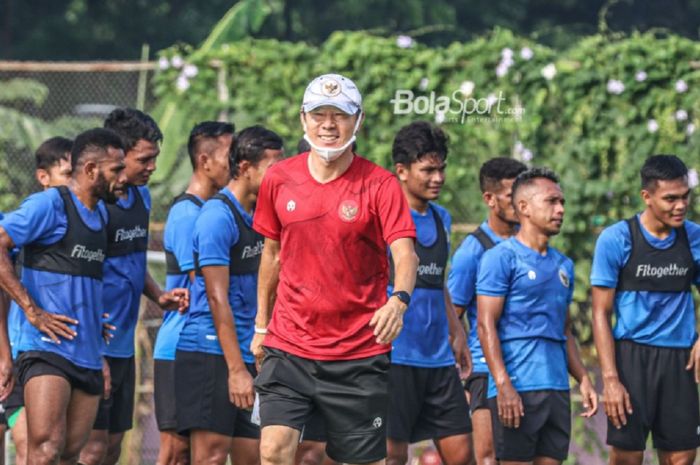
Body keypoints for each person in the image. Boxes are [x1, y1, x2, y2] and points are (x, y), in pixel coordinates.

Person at [251, 73, 419, 465]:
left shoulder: (380, 184)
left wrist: (399, 300)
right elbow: (271, 255)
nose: (328, 124)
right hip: (289, 345)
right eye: (319, 114)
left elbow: (406, 254)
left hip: (358, 351)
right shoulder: (279, 178)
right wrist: (261, 325)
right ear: (303, 119)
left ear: (357, 120)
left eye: (339, 115)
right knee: (273, 451)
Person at [0, 127, 127, 465]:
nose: (122, 178)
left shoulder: (101, 215)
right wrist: (32, 309)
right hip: (45, 348)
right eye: (116, 170)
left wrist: (91, 317)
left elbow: (84, 281)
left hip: (86, 352)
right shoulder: (49, 204)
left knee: (71, 455)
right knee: (44, 450)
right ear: (90, 170)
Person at [79, 108, 188, 465]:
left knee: (112, 448)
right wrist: (94, 348)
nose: (153, 166)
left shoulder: (141, 198)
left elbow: (132, 261)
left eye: (156, 157)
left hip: (124, 345)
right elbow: (83, 274)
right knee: (90, 450)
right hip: (92, 343)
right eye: (145, 158)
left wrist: (159, 295)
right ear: (117, 154)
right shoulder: (95, 206)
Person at [175, 125, 282, 465]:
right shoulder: (216, 218)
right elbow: (217, 298)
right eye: (272, 168)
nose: (280, 176)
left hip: (249, 351)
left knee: (255, 455)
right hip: (209, 352)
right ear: (245, 168)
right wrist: (236, 370)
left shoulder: (265, 214)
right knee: (211, 457)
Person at [477, 168, 597, 465]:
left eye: (562, 202)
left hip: (556, 388)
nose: (561, 209)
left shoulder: (564, 266)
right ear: (524, 207)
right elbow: (485, 324)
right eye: (552, 201)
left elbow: (564, 331)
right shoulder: (500, 257)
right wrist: (503, 384)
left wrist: (583, 379)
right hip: (517, 387)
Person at [591, 155, 700, 465]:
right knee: (627, 457)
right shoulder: (617, 239)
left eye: (685, 196)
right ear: (647, 197)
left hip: (680, 360)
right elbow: (600, 313)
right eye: (670, 198)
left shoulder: (694, 238)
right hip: (631, 360)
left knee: (682, 457)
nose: (680, 205)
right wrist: (610, 380)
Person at [386, 121, 473, 465]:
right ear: (402, 171)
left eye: (442, 169)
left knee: (462, 454)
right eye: (428, 170)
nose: (438, 178)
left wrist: (458, 333)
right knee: (392, 457)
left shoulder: (442, 219)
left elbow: (437, 284)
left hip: (437, 359)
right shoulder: (383, 217)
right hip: (394, 358)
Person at [153, 121, 234, 465]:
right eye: (231, 156)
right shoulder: (189, 215)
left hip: (208, 345)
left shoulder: (215, 212)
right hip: (180, 346)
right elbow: (202, 282)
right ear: (205, 161)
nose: (237, 163)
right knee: (175, 451)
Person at [447, 157, 526, 465]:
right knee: (489, 456)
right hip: (484, 370)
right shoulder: (473, 250)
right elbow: (452, 312)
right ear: (490, 199)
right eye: (511, 195)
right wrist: (460, 374)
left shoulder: (533, 244)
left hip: (527, 366)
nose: (520, 202)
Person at [5, 136, 75, 465]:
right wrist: (4, 351)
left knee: (44, 447)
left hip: (49, 349)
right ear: (43, 177)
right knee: (30, 444)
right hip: (21, 349)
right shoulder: (25, 224)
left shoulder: (79, 221)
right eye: (66, 174)